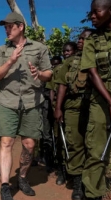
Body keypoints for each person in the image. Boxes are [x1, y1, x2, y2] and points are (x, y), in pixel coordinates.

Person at [0, 12, 52, 200]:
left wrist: (39, 74)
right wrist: (10, 61)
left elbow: (48, 73)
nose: (6, 30)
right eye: (5, 27)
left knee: (29, 144)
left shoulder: (39, 48)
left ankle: (23, 178)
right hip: (8, 102)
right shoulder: (1, 50)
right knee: (6, 142)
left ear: (21, 26)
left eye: (10, 26)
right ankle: (5, 187)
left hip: (32, 102)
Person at [80, 0, 111, 200]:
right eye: (91, 12)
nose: (92, 15)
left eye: (97, 11)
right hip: (102, 99)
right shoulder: (92, 40)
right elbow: (93, 73)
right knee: (97, 151)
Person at [54, 29, 93, 200]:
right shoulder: (69, 62)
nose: (80, 41)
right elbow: (62, 85)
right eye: (79, 38)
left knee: (92, 144)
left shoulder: (98, 60)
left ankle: (91, 181)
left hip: (93, 106)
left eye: (84, 39)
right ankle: (77, 183)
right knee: (75, 144)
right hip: (72, 106)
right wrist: (58, 107)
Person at [46, 43, 77, 186]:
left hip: (75, 108)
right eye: (64, 51)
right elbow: (53, 88)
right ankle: (62, 170)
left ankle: (74, 173)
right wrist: (54, 107)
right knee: (60, 140)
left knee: (74, 142)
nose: (66, 53)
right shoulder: (59, 69)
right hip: (60, 109)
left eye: (69, 50)